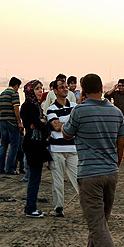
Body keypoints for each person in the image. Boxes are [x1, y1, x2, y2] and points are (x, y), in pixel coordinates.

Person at [63, 73, 124, 247]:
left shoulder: (80, 111)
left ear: (82, 89)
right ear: (102, 87)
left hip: (90, 174)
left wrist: (80, 104)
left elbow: (66, 133)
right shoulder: (116, 112)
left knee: (97, 224)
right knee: (101, 219)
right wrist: (114, 166)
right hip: (110, 173)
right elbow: (122, 144)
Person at [46, 79, 79, 217]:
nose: (65, 89)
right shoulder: (51, 108)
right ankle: (59, 207)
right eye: (62, 87)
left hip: (72, 149)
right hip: (56, 149)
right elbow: (56, 126)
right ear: (55, 91)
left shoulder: (74, 107)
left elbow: (75, 124)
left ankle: (89, 207)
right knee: (57, 181)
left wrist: (64, 125)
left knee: (79, 180)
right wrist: (70, 125)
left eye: (66, 87)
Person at [21, 80, 51, 218]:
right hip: (32, 145)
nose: (40, 91)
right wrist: (42, 123)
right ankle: (30, 208)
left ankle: (31, 207)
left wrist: (42, 123)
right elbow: (37, 124)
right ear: (30, 91)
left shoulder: (36, 105)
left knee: (36, 177)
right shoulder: (28, 106)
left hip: (36, 144)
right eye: (37, 88)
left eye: (41, 88)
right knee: (34, 178)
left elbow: (41, 124)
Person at [0, 77, 23, 175]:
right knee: (14, 145)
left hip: (2, 121)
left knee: (3, 145)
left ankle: (0, 168)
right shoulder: (14, 93)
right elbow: (16, 108)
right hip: (12, 122)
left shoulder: (2, 94)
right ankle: (10, 168)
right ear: (16, 85)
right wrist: (19, 122)